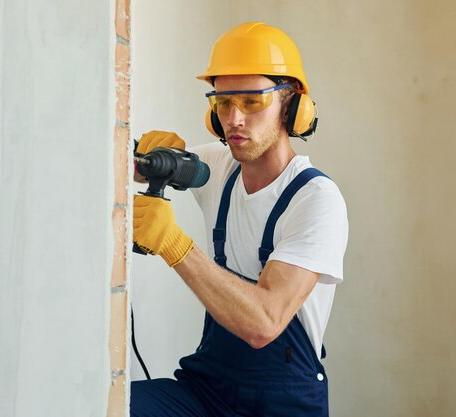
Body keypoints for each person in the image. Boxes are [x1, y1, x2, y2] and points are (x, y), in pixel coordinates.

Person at [130, 22, 348, 417]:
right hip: (208, 389)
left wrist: (174, 245)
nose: (234, 119)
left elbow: (264, 323)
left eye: (251, 102)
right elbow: (143, 167)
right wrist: (143, 157)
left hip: (283, 406)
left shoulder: (316, 200)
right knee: (108, 403)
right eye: (223, 102)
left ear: (292, 105)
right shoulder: (220, 166)